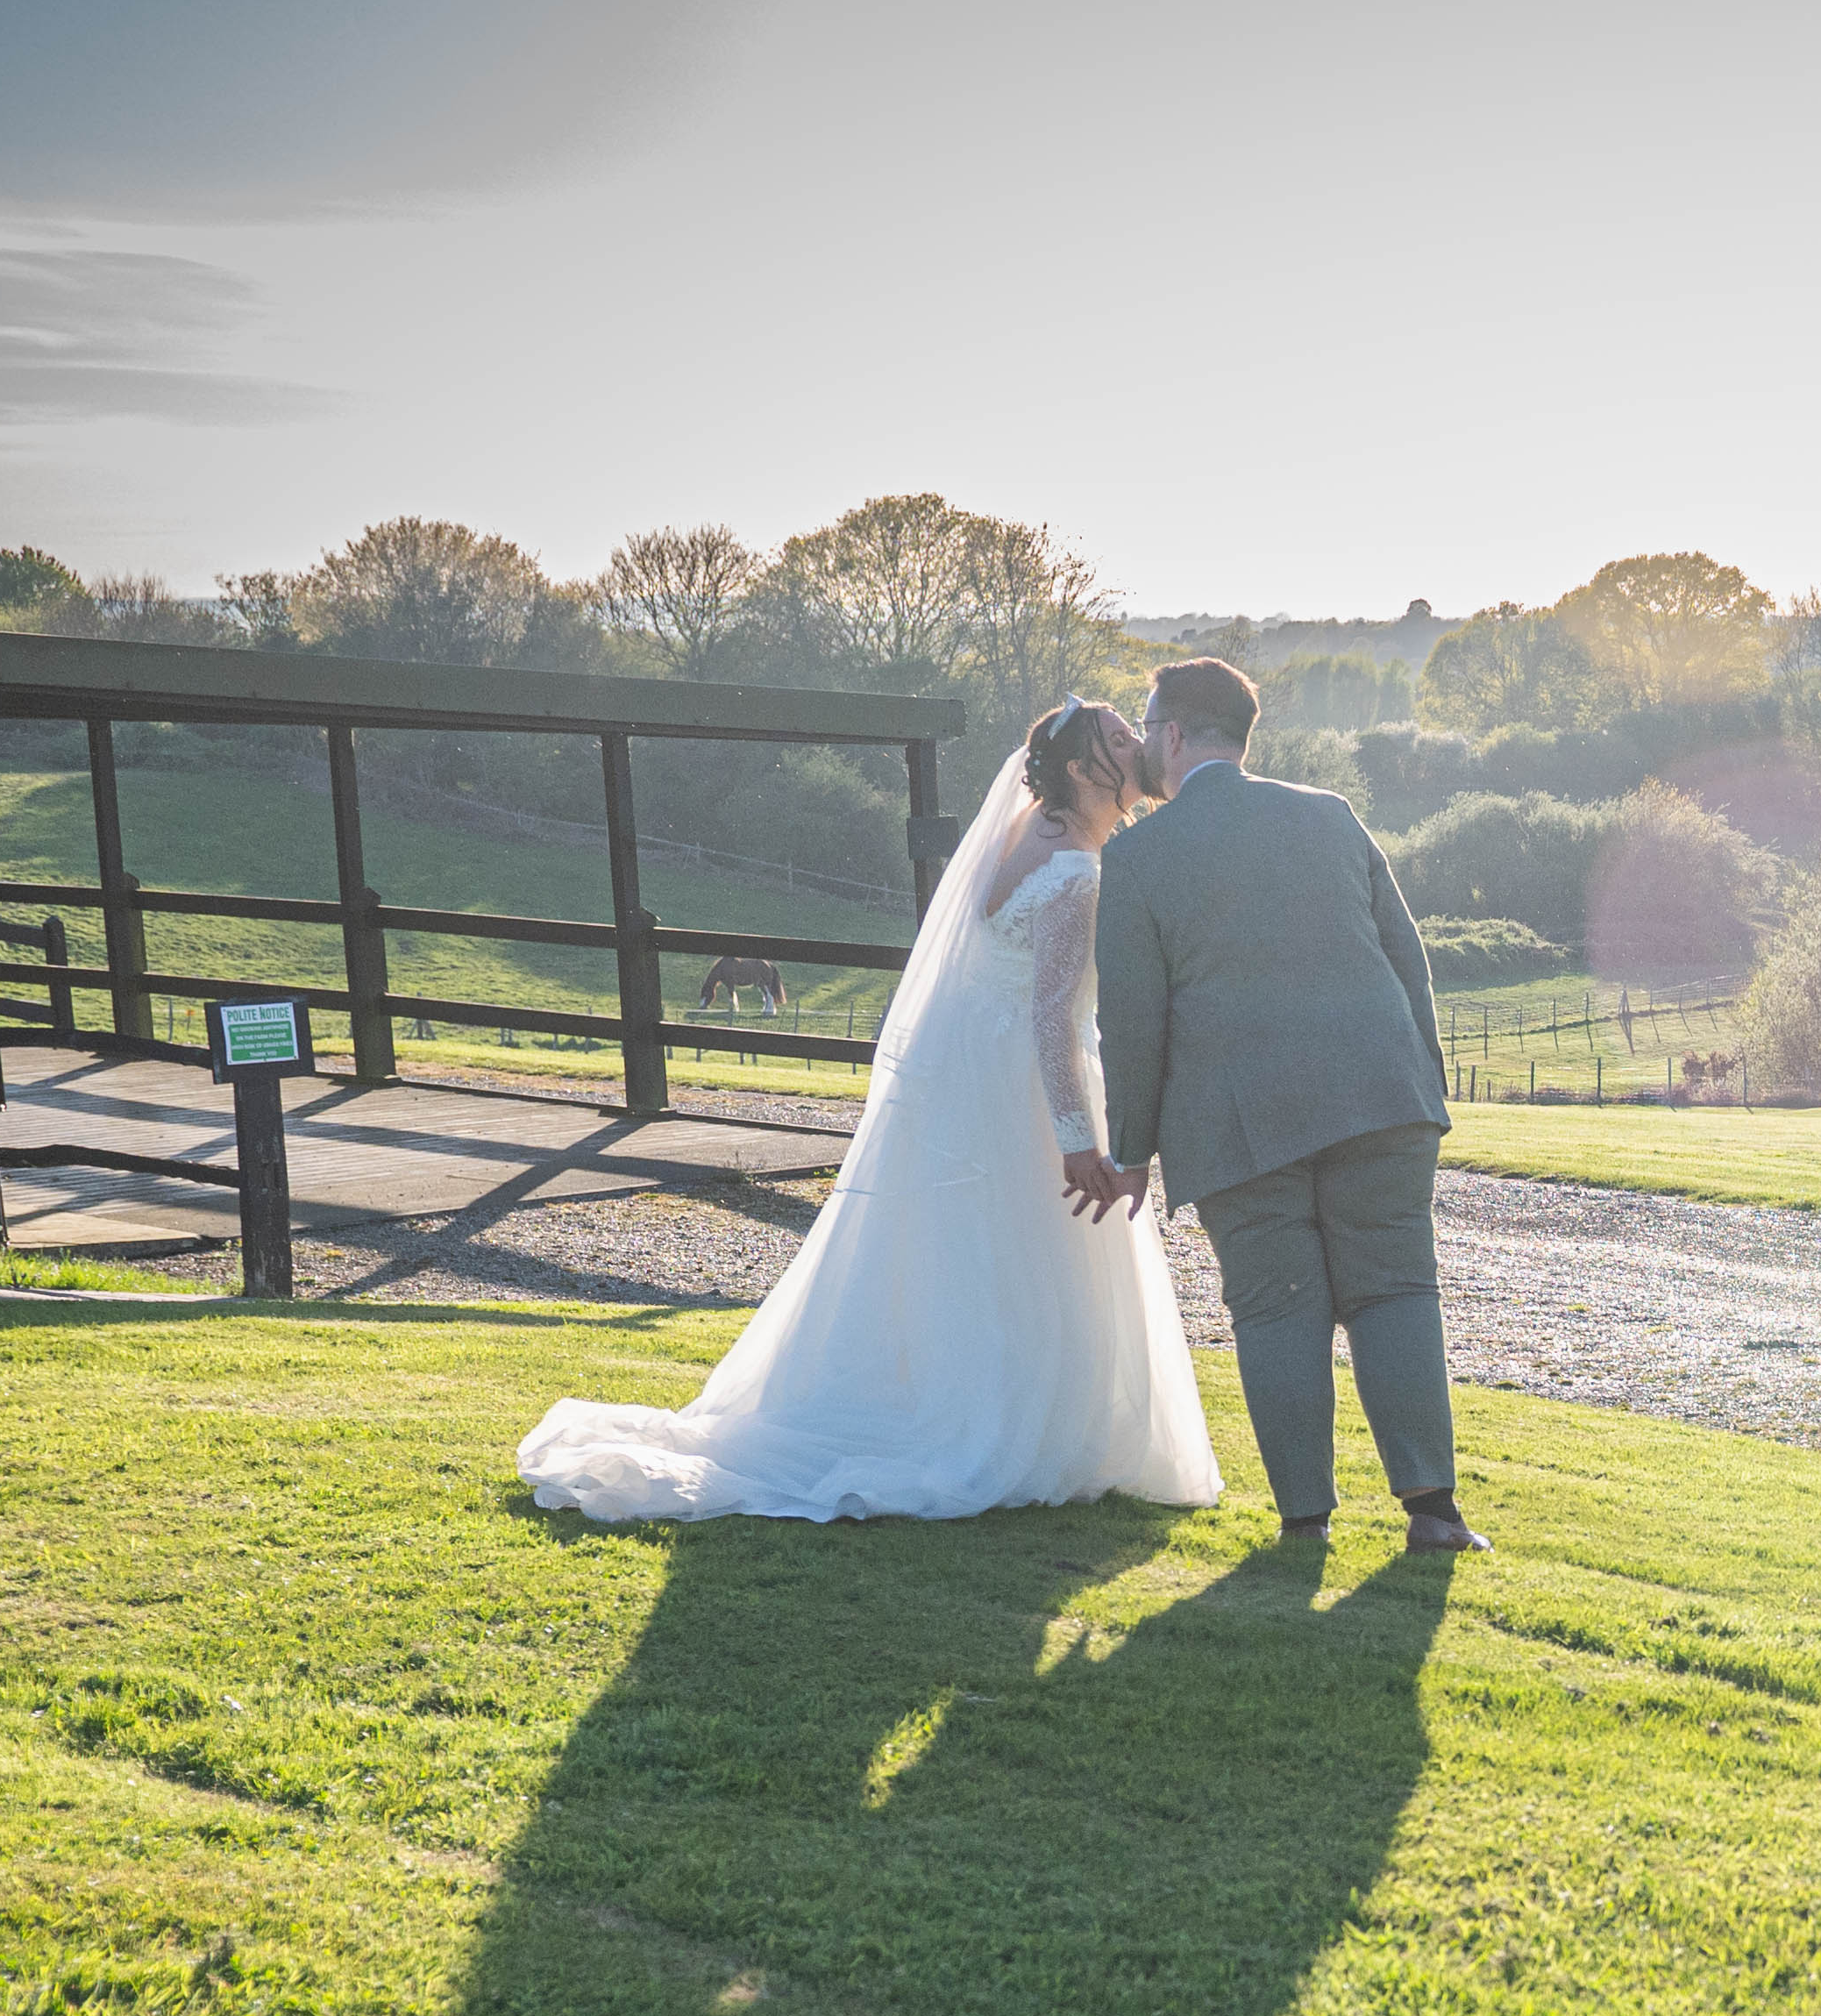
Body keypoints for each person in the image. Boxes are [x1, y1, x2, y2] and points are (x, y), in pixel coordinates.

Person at [514, 700, 1220, 1523]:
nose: (1137, 745)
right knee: (1021, 1251)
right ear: (1079, 768)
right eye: (1119, 738)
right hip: (1024, 1088)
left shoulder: (1023, 839)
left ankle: (948, 1395)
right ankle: (1014, 1425)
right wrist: (1077, 1139)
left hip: (969, 1075)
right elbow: (1051, 1017)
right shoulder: (1076, 874)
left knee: (958, 1250)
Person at [1095, 654, 1483, 1552]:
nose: (1145, 744)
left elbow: (1135, 1021)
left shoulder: (1139, 856)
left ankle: (1306, 1524)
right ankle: (1434, 1512)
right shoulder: (1331, 816)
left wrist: (1132, 1150)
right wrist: (1422, 1081)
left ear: (1175, 734)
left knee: (1277, 1309)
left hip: (1238, 1119)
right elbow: (1405, 957)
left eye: (1149, 727)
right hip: (1382, 1096)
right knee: (1397, 1292)